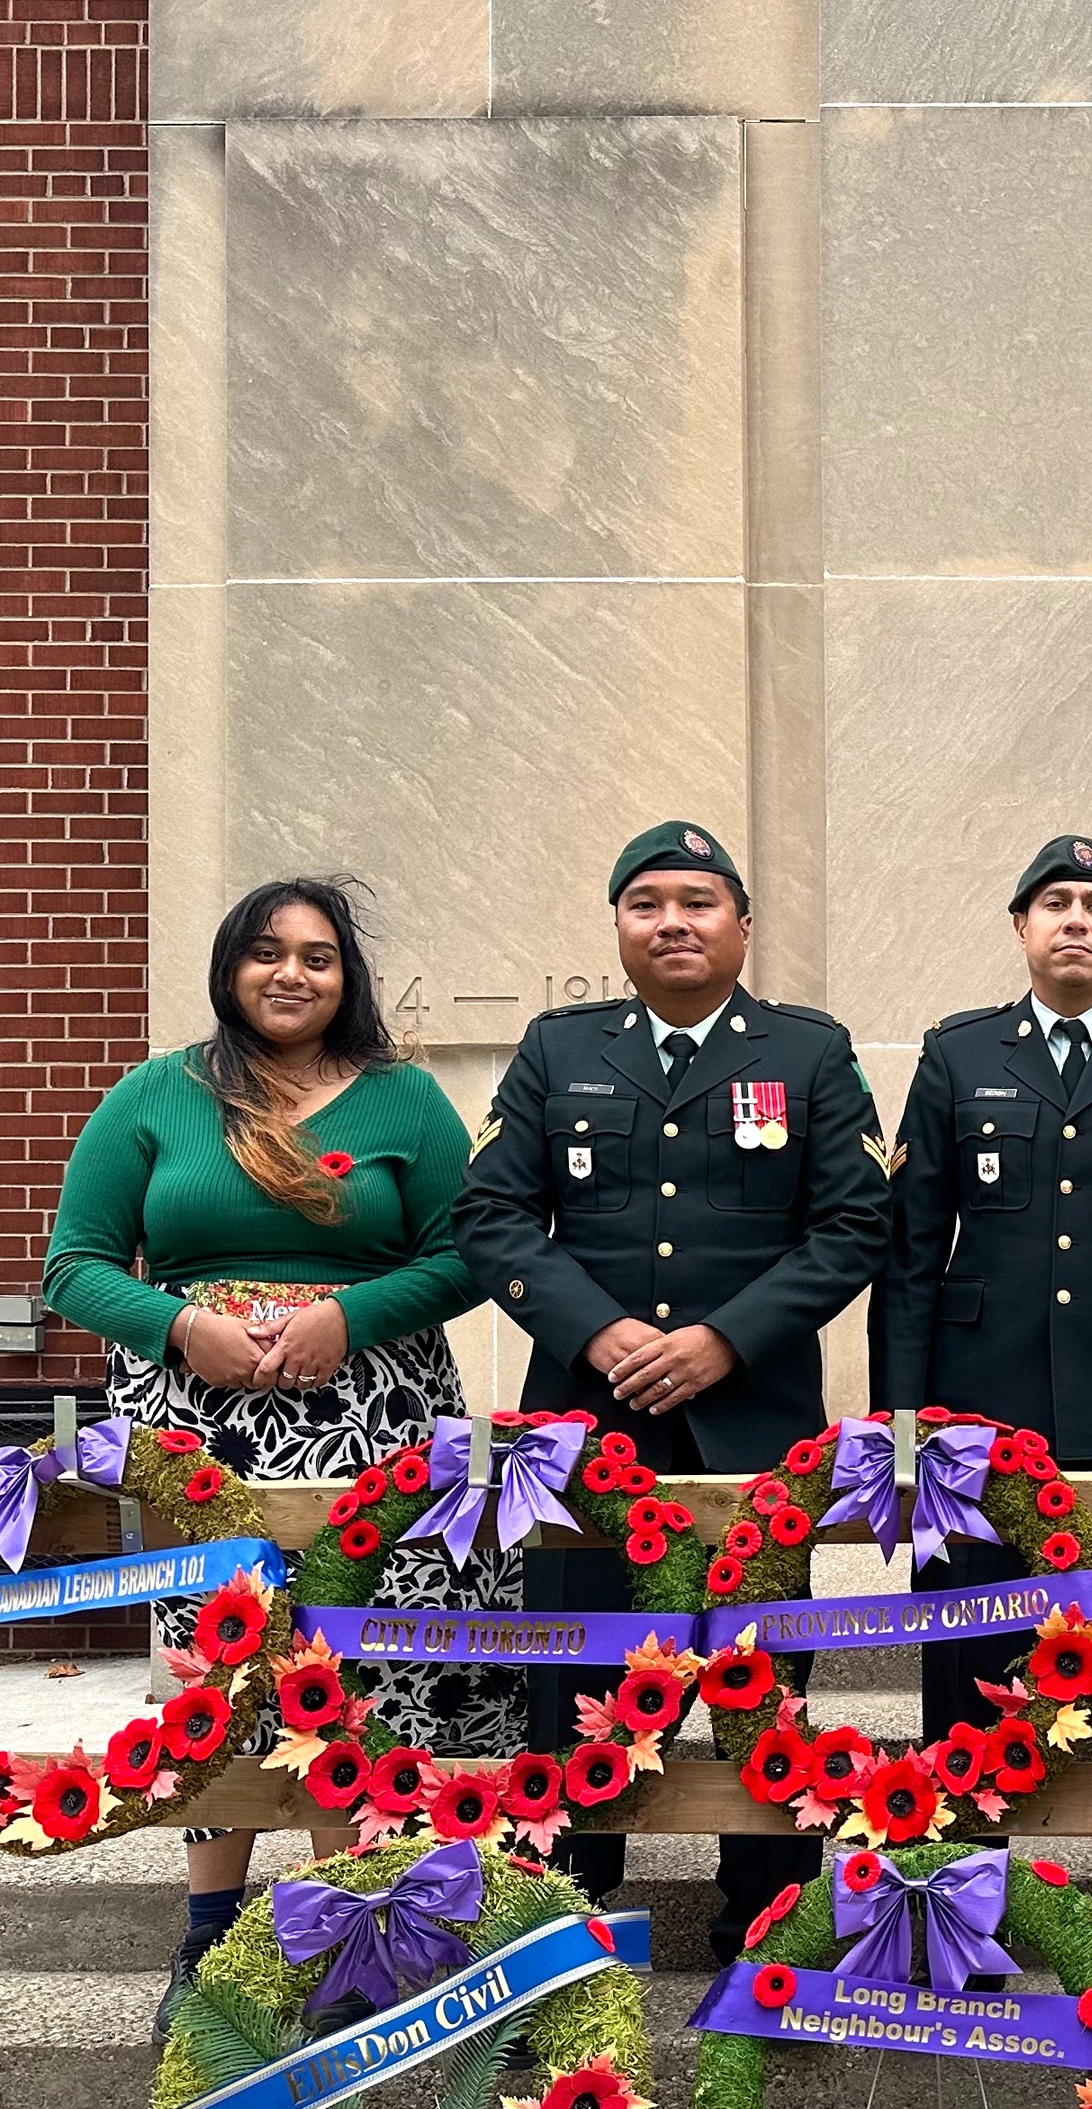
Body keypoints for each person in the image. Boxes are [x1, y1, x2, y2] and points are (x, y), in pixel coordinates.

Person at [43, 878, 501, 2033]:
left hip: (378, 1421)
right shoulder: (158, 1092)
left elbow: (470, 1252)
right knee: (221, 1671)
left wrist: (353, 1314)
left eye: (317, 956)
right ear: (228, 967)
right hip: (205, 1431)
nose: (290, 974)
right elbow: (76, 1264)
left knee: (359, 1668)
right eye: (265, 952)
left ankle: (356, 1927)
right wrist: (180, 1323)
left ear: (347, 977)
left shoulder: (403, 1101)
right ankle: (211, 1942)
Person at [452, 821, 891, 1954]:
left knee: (760, 1689)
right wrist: (597, 1333)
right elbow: (491, 1213)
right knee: (576, 1684)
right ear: (618, 926)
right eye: (647, 902)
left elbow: (855, 1225)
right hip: (588, 1432)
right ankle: (562, 1921)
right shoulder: (557, 1049)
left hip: (755, 1427)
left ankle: (769, 1927)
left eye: (698, 900)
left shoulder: (810, 1052)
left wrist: (724, 1340)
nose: (673, 921)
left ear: (742, 924)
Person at [871, 833, 1092, 2026]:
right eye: (1053, 904)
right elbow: (912, 1251)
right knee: (969, 1661)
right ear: (1020, 928)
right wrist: (905, 1421)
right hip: (980, 1413)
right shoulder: (957, 1055)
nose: (1074, 921)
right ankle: (955, 1925)